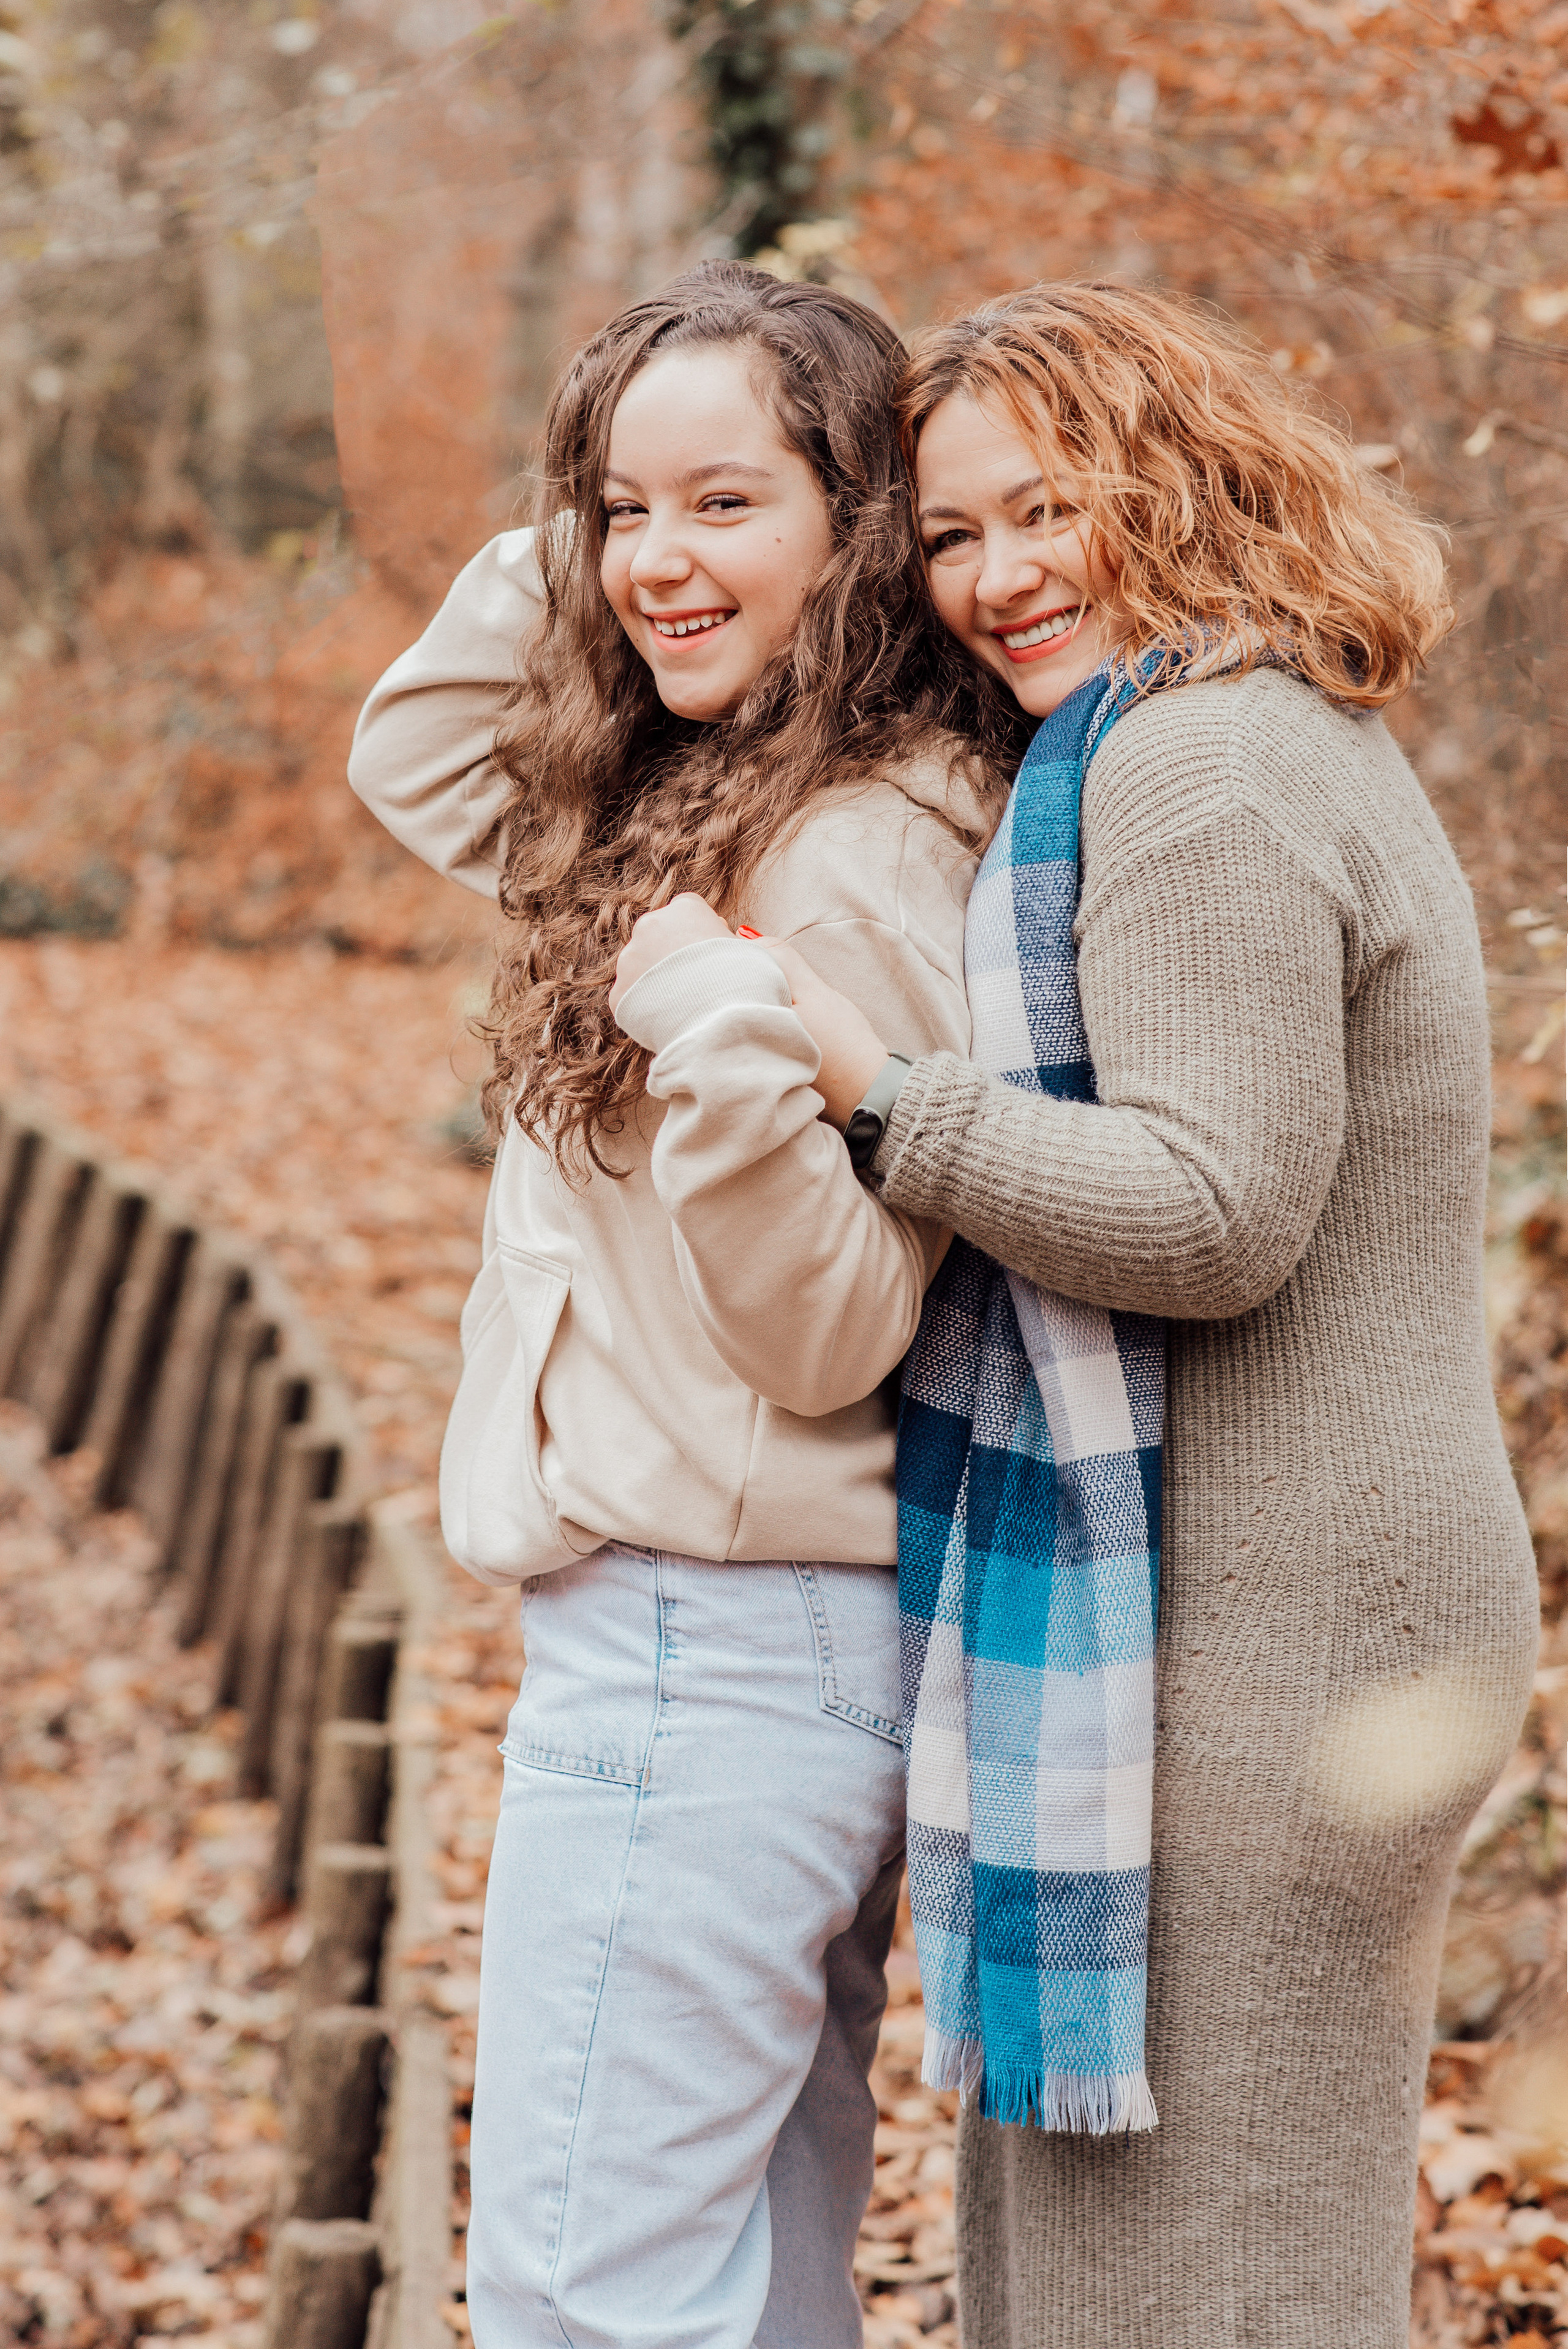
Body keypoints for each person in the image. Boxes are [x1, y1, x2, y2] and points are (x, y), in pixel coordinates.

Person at [618, 282, 1540, 2349]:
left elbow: (1216, 1214)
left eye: (1053, 508)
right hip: (1303, 1604)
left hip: (1291, 1634)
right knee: (1173, 2257)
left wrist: (872, 1086)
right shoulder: (1248, 723)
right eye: (950, 535)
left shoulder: (1200, 767)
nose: (998, 578)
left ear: (1186, 477)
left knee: (1196, 2290)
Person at [347, 261, 1025, 2349]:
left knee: (584, 2292)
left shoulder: (844, 852)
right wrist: (639, 505)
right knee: (734, 2289)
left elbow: (834, 1330)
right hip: (736, 1640)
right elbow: (422, 756)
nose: (652, 562)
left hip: (711, 1647)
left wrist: (732, 1049)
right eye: (624, 512)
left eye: (732, 503)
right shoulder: (699, 782)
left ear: (864, 524)